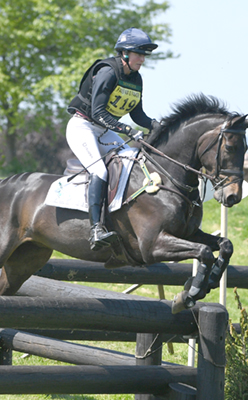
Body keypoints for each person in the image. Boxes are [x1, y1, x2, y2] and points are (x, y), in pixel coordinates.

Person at [66, 27, 161, 251]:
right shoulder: (108, 72)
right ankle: (96, 229)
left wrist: (159, 125)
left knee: (133, 161)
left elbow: (138, 115)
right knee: (99, 171)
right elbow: (98, 112)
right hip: (83, 127)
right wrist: (128, 130)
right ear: (125, 54)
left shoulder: (136, 79)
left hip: (105, 130)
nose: (143, 59)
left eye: (144, 54)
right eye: (139, 54)